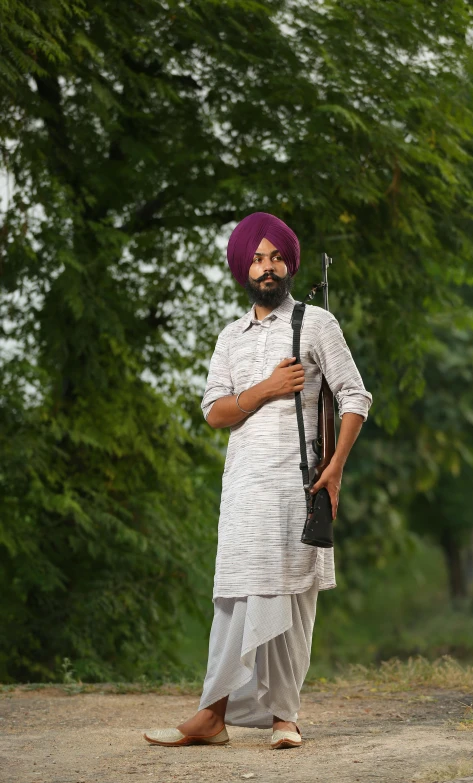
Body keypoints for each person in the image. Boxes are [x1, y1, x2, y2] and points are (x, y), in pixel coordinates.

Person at [144, 212, 372, 749]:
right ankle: (212, 715)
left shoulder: (316, 324)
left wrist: (335, 465)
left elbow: (355, 396)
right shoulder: (231, 337)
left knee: (292, 601)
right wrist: (268, 388)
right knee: (235, 599)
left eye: (275, 258)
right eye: (256, 259)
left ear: (290, 263)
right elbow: (214, 413)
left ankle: (283, 718)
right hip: (243, 489)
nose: (266, 268)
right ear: (243, 268)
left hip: (298, 487)